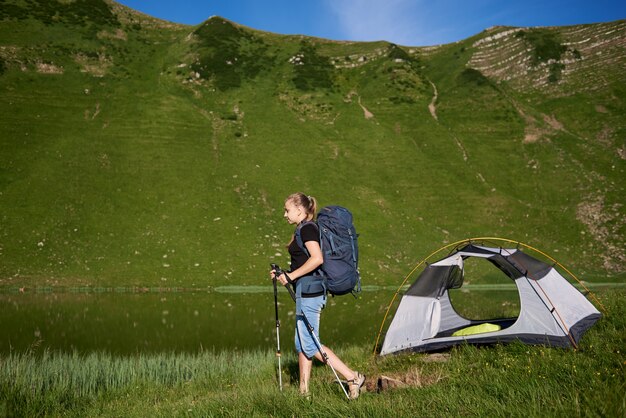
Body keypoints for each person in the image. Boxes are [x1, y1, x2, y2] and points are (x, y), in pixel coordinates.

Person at [270, 192, 365, 399]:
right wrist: (285, 273)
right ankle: (303, 392)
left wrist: (291, 275)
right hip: (306, 291)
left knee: (311, 344)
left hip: (311, 294)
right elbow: (304, 262)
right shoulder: (303, 229)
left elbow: (317, 259)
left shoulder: (308, 229)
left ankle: (352, 377)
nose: (284, 214)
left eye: (287, 210)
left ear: (300, 210)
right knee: (302, 344)